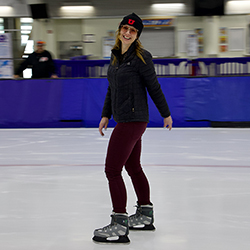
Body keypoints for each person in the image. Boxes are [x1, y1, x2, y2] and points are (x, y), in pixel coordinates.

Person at [92, 13, 173, 244]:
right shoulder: (116, 55)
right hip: (123, 118)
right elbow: (111, 88)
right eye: (125, 29)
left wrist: (165, 113)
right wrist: (105, 114)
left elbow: (154, 87)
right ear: (119, 30)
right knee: (133, 166)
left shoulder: (141, 57)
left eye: (133, 31)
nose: (127, 33)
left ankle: (119, 224)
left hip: (134, 120)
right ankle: (145, 214)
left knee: (112, 170)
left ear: (137, 35)